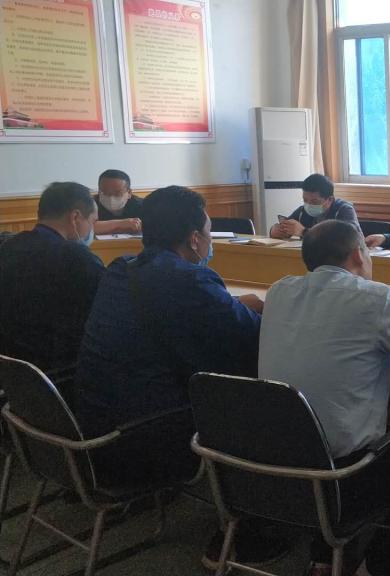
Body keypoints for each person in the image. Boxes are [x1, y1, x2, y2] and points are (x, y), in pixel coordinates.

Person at [74, 185, 282, 569]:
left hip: (89, 425)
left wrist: (228, 304)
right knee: (253, 399)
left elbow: (176, 312)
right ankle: (248, 526)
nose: (209, 240)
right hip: (144, 436)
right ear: (194, 239)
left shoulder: (120, 269)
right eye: (207, 231)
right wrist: (251, 308)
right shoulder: (191, 282)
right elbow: (252, 337)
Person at [260, 220, 390, 575]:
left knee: (327, 424)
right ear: (358, 254)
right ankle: (380, 564)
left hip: (273, 466)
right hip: (346, 476)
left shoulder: (278, 291)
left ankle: (324, 556)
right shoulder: (374, 298)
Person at [0, 182, 103, 375]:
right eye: (92, 221)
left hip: (11, 365)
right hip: (60, 368)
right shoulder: (78, 259)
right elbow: (102, 314)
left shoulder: (8, 247)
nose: (92, 229)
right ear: (75, 217)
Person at [269, 173, 358, 239]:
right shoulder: (302, 211)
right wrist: (275, 230)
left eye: (314, 201)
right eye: (305, 200)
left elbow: (350, 238)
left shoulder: (343, 209)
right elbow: (286, 226)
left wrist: (303, 232)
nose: (309, 205)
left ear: (330, 199)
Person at [93, 169, 143, 235]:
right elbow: (87, 227)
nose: (111, 198)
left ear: (129, 193)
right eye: (105, 192)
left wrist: (106, 227)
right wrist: (122, 223)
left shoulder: (142, 205)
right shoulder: (90, 204)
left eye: (117, 194)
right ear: (99, 191)